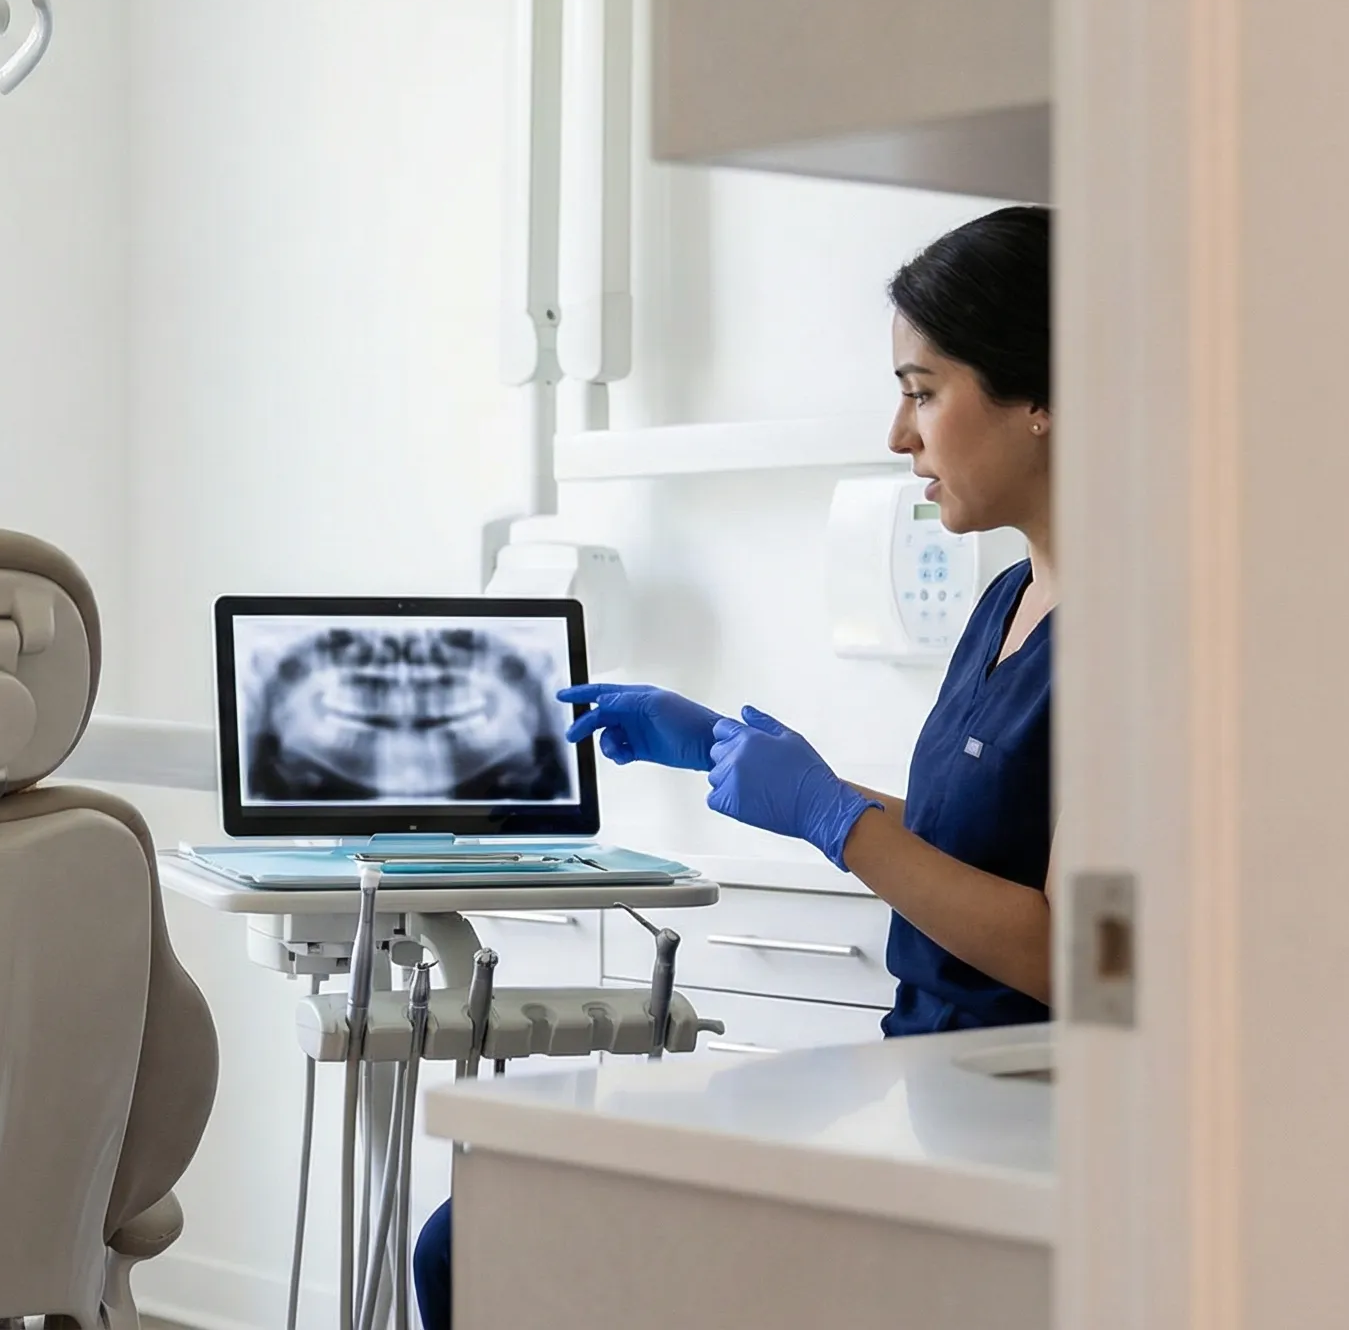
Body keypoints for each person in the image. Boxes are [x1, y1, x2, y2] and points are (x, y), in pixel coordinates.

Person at [411, 204, 1056, 1329]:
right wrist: (728, 749)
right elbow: (978, 830)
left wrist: (832, 820)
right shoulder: (1008, 598)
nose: (899, 436)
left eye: (921, 390)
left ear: (1044, 396)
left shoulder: (1145, 641)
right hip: (922, 1073)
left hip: (1016, 1114)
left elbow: (1082, 950)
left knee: (493, 1246)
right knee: (473, 1229)